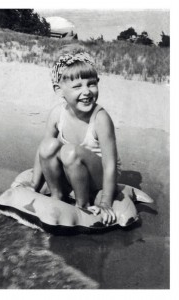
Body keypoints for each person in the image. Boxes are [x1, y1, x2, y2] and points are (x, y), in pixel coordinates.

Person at [29, 52, 121, 225]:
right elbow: (43, 150)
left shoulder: (100, 119)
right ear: (59, 90)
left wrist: (105, 203)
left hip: (98, 177)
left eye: (91, 84)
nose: (86, 91)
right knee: (49, 145)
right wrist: (34, 184)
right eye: (77, 86)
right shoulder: (57, 114)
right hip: (73, 169)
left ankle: (83, 205)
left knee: (70, 151)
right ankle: (58, 195)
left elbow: (110, 165)